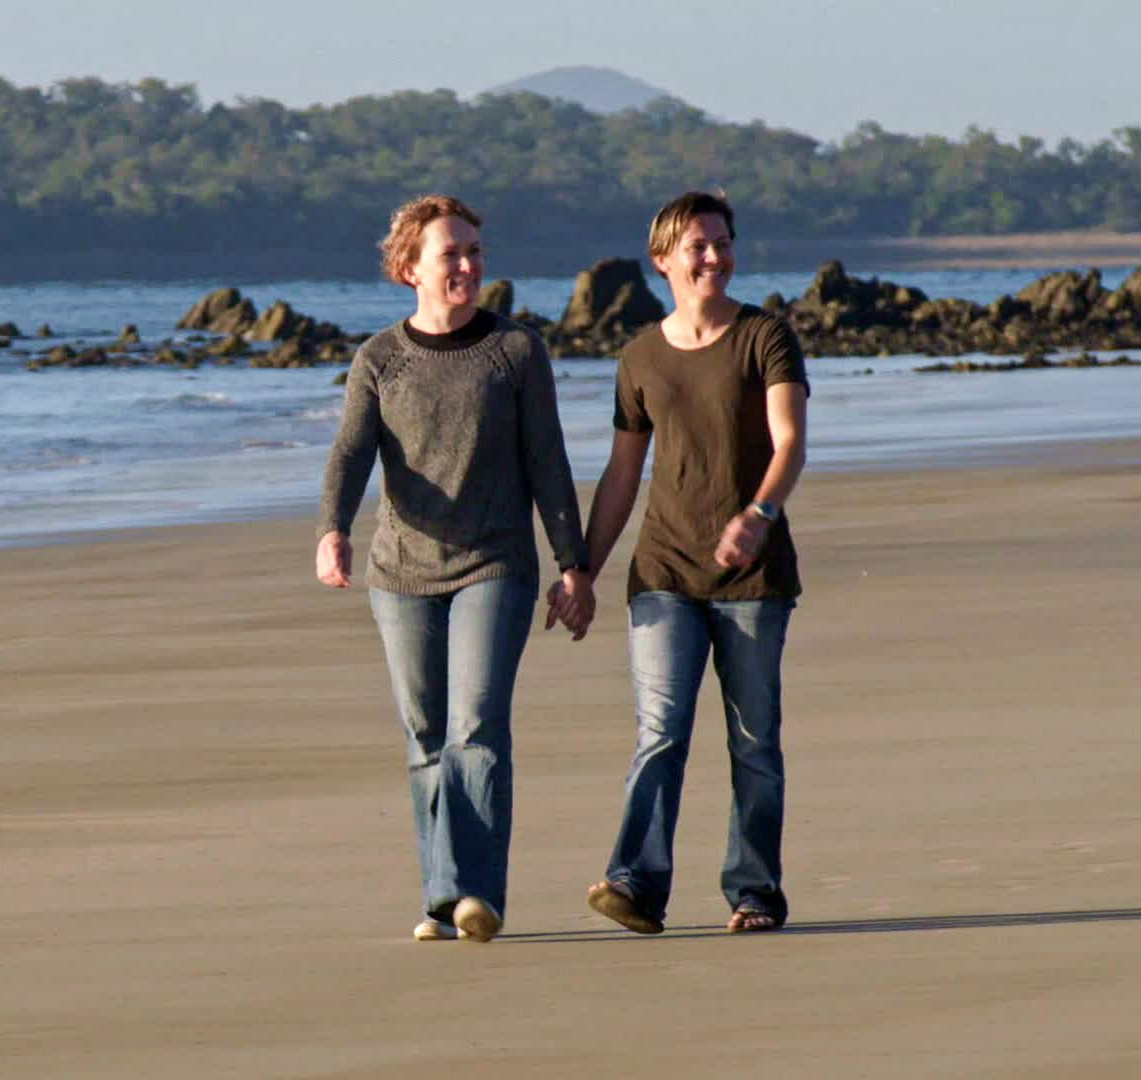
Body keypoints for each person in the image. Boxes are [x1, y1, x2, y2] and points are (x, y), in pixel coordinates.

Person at [316, 194, 593, 943]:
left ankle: (472, 894)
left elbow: (548, 462)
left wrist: (573, 565)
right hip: (401, 571)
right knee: (426, 735)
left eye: (475, 251)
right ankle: (442, 898)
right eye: (452, 254)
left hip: (495, 564)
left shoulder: (515, 352)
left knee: (476, 726)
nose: (468, 265)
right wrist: (333, 532)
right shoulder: (380, 360)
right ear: (410, 268)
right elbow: (350, 453)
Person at [571, 191, 809, 935]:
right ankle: (637, 884)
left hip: (752, 578)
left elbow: (790, 442)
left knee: (753, 740)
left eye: (723, 242)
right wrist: (582, 569)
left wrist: (758, 515)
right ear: (663, 259)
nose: (714, 255)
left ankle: (754, 892)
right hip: (664, 572)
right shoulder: (640, 356)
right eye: (698, 245)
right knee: (661, 730)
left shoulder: (764, 336)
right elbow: (620, 476)